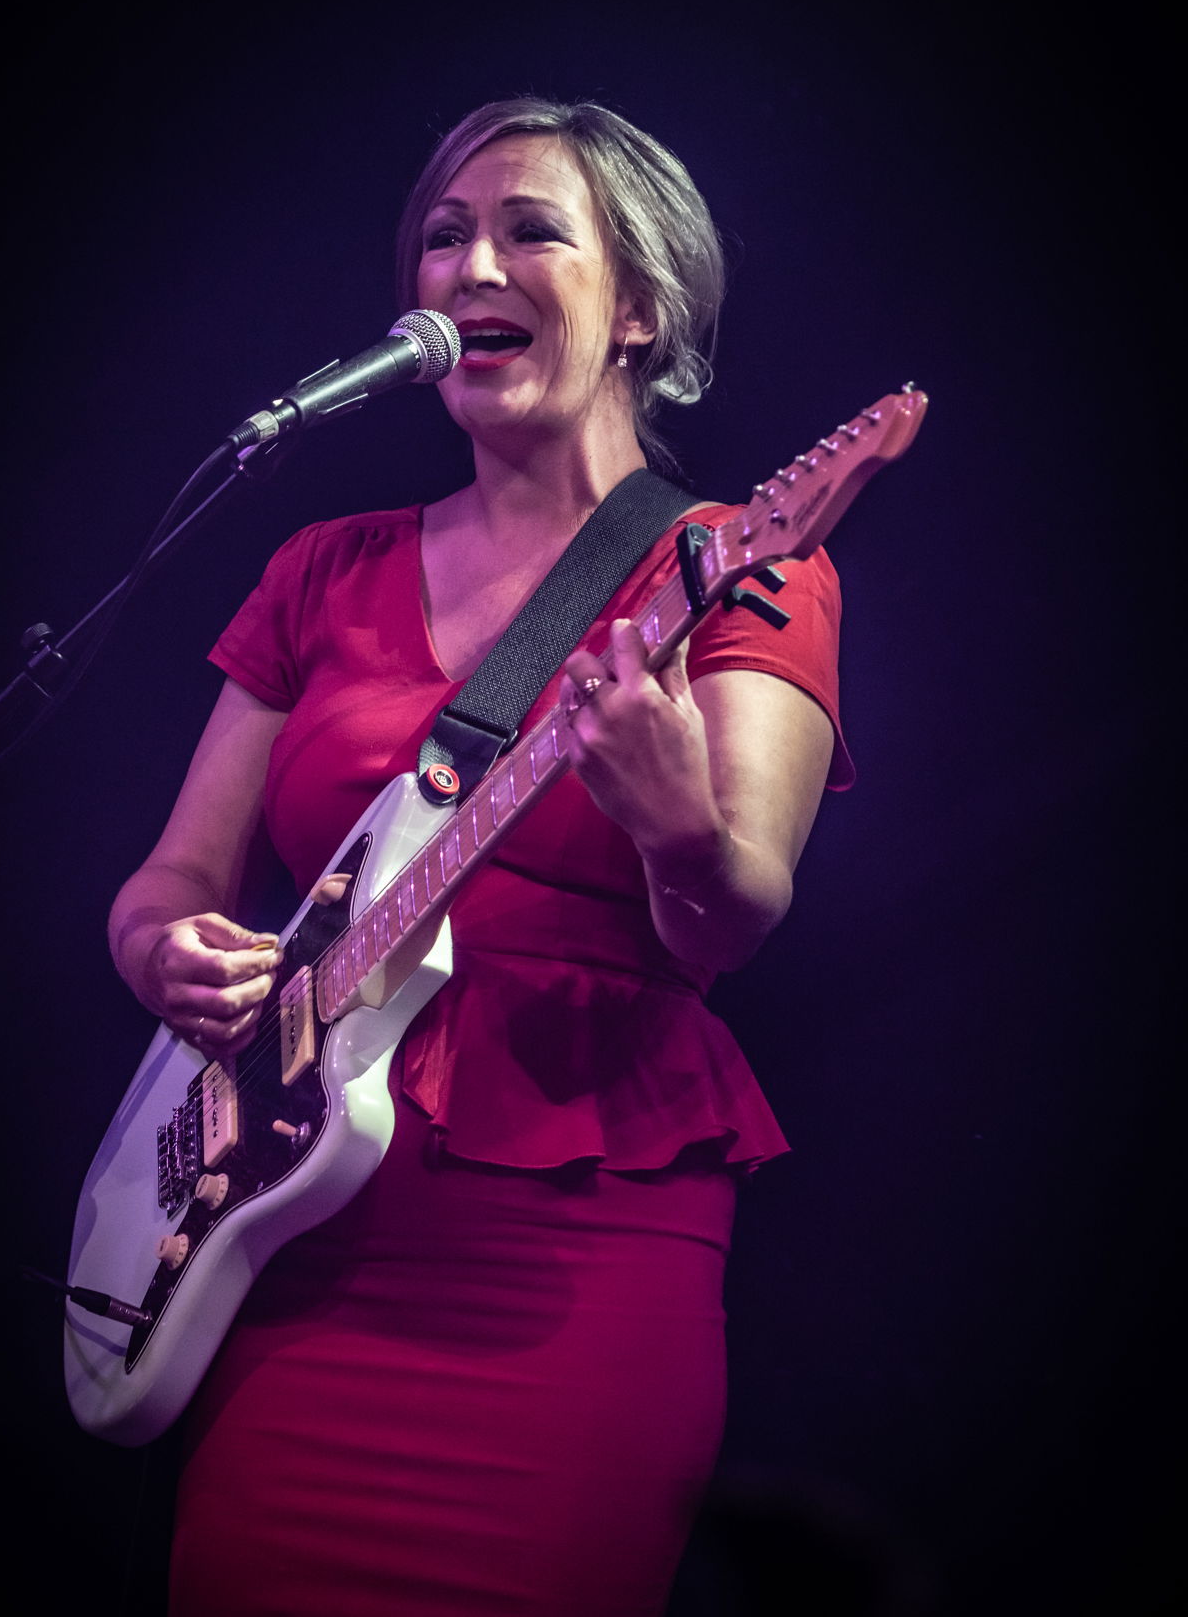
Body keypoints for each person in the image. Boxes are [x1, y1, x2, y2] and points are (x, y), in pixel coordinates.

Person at [107, 96, 854, 1617]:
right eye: (443, 236)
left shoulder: (743, 559)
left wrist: (673, 821)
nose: (467, 265)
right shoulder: (323, 568)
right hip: (288, 1241)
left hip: (566, 1257)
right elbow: (168, 881)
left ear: (641, 307)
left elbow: (732, 918)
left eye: (529, 231)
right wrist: (163, 949)